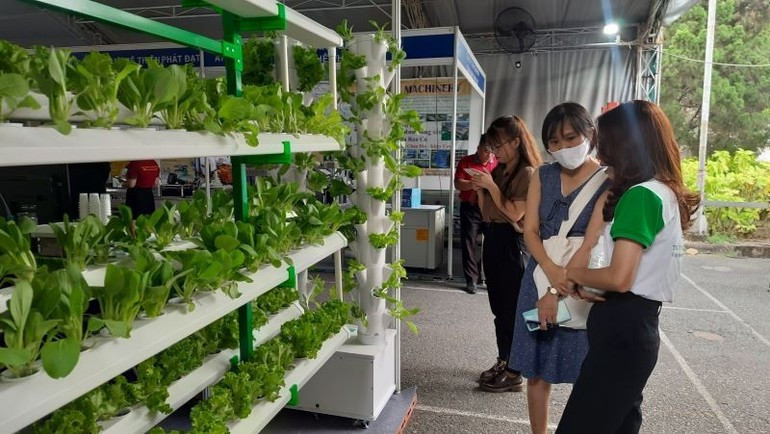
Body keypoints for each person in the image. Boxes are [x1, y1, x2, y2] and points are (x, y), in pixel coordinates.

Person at [556, 101, 699, 433]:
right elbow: (633, 273)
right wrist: (593, 281)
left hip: (622, 328)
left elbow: (619, 278)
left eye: (606, 145)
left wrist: (572, 273)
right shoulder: (664, 193)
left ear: (626, 145)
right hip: (638, 326)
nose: (601, 155)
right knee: (620, 422)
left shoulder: (640, 195)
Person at [493, 104, 609, 433]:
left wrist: (559, 286)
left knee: (584, 367)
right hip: (538, 281)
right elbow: (529, 231)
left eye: (570, 138)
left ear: (590, 135)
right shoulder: (542, 174)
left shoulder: (606, 179)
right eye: (553, 142)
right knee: (536, 369)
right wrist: (550, 273)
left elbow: (591, 241)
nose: (561, 148)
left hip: (580, 284)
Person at [470, 115, 542, 389]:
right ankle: (504, 359)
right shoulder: (499, 170)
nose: (494, 151)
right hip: (495, 237)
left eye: (498, 145)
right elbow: (488, 212)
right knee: (499, 308)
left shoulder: (526, 173)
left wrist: (490, 187)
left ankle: (515, 370)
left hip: (513, 244)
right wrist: (481, 190)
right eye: (491, 147)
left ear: (516, 141)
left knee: (514, 308)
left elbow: (514, 213)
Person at [454, 133, 498, 294]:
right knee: (468, 243)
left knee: (493, 243)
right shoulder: (466, 161)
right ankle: (471, 280)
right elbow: (458, 183)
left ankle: (487, 277)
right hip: (470, 208)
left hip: (490, 208)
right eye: (486, 150)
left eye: (492, 151)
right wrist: (476, 183)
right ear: (478, 149)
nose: (489, 154)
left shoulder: (497, 163)